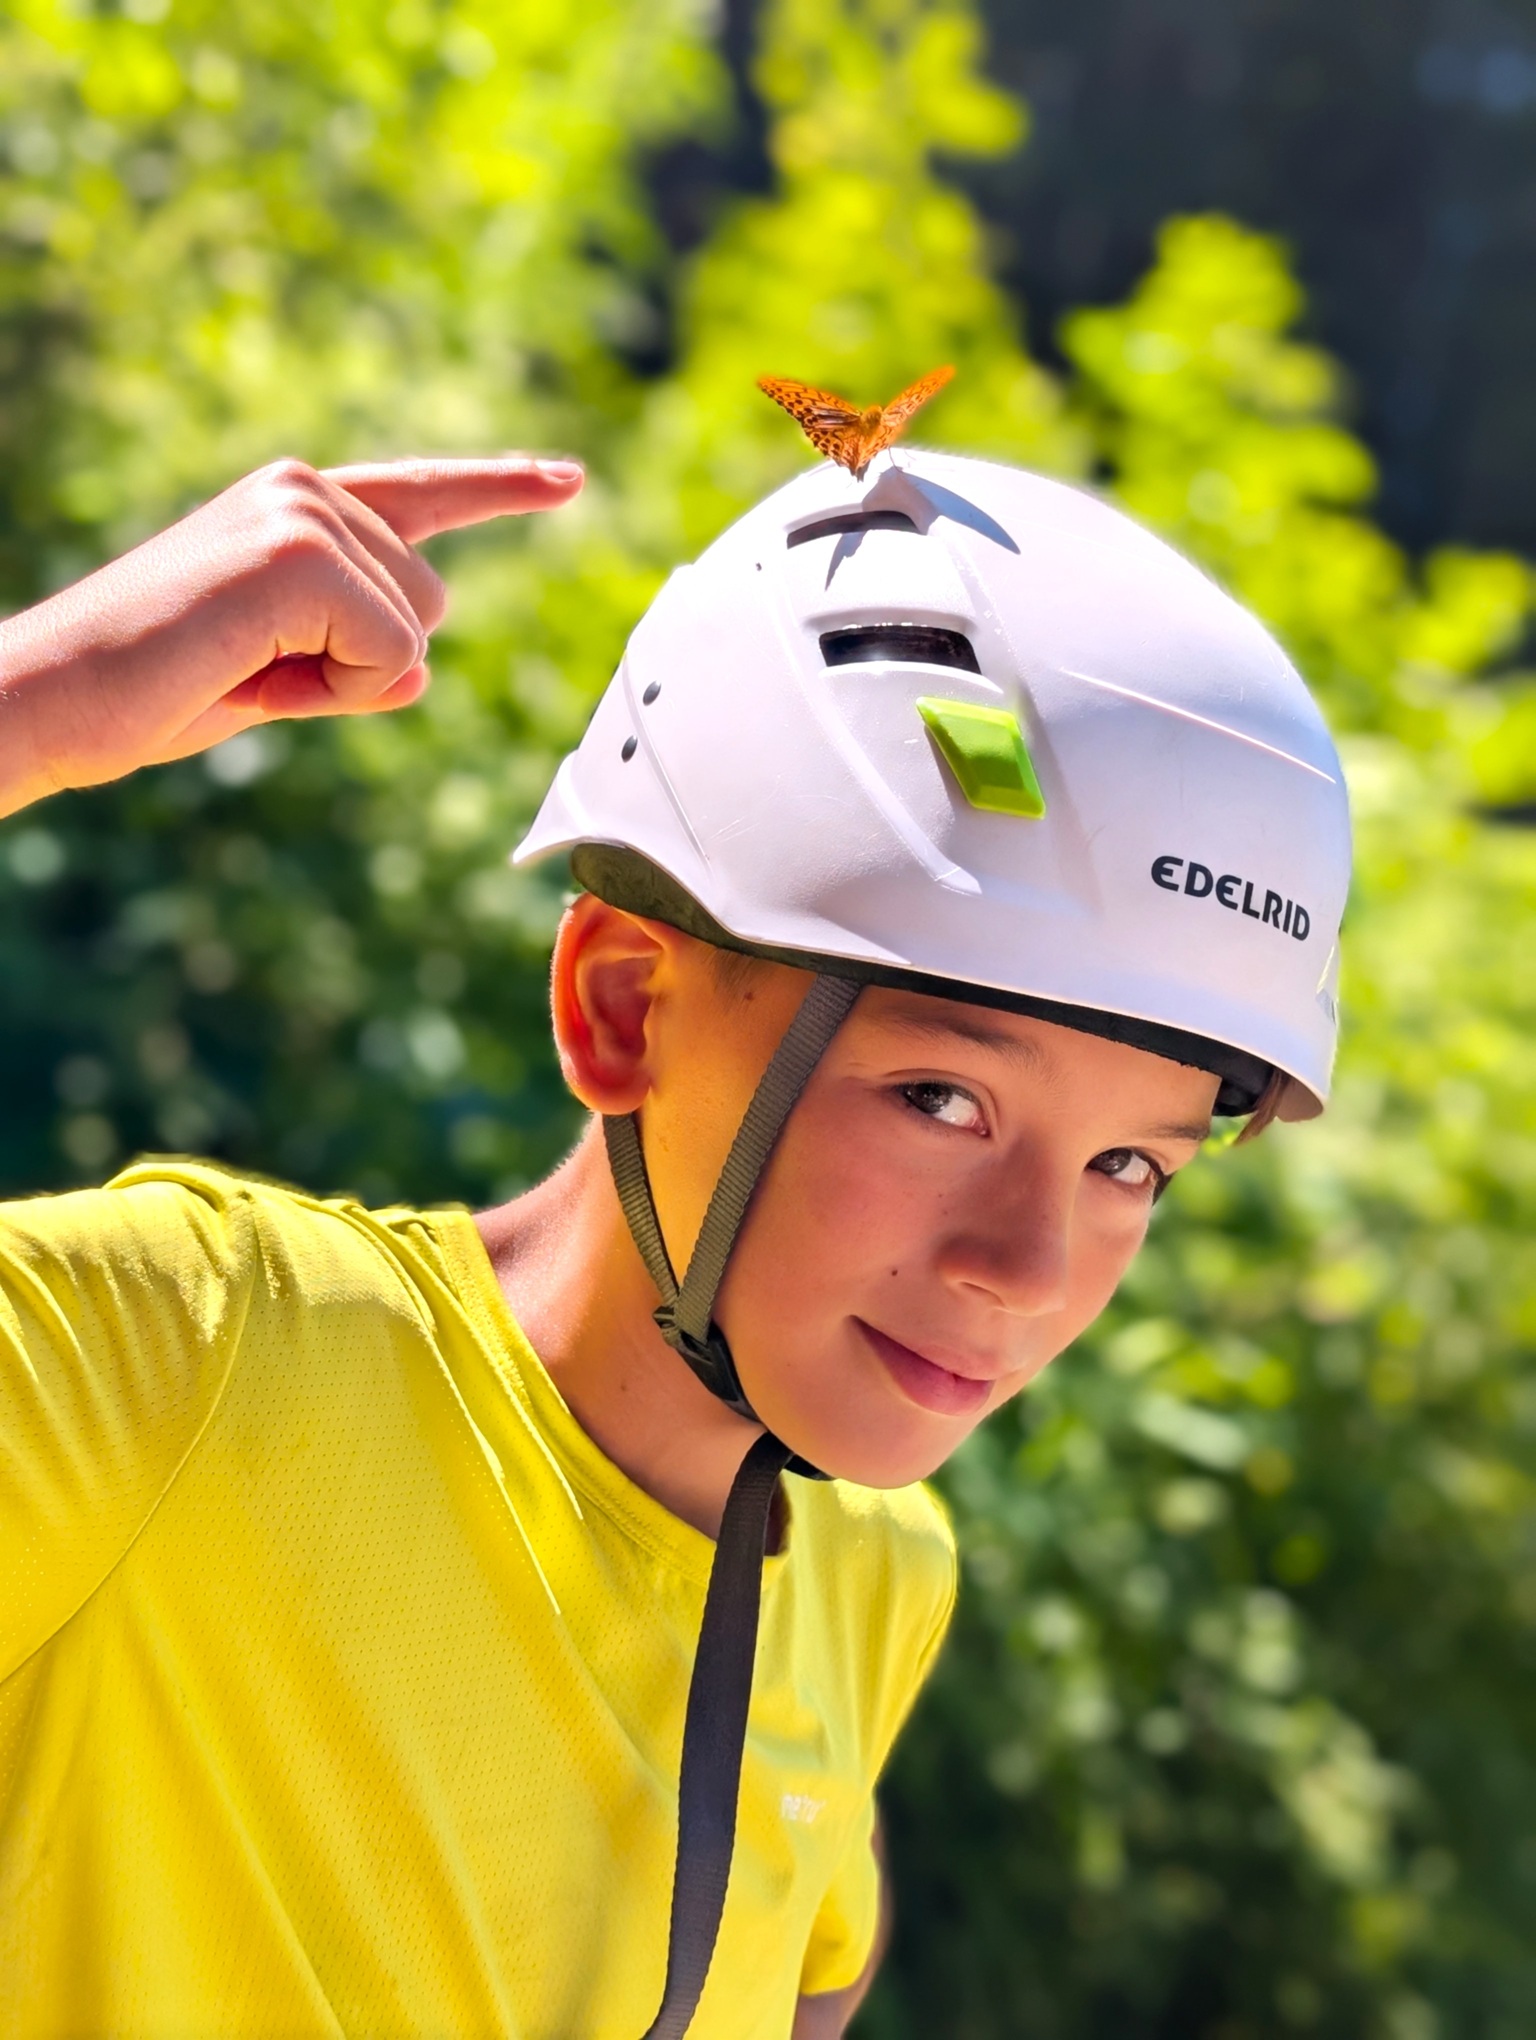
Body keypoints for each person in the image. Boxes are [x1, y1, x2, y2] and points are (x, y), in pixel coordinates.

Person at [0, 445, 1351, 2039]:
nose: (1029, 1269)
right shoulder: (178, 1360)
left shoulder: (868, 1575)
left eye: (1132, 1163)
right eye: (941, 1099)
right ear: (622, 1008)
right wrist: (41, 704)